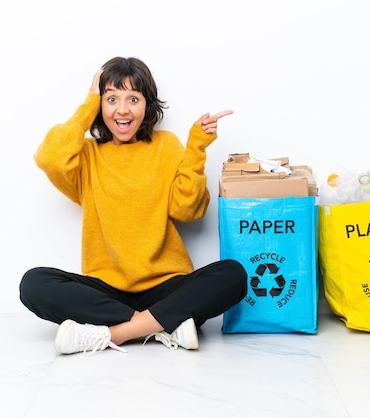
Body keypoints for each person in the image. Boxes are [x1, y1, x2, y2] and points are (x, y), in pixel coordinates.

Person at [19, 56, 247, 355]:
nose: (122, 109)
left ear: (147, 105)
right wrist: (89, 103)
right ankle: (164, 325)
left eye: (133, 99)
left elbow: (188, 211)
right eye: (111, 98)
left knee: (233, 274)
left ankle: (112, 333)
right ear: (100, 104)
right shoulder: (84, 155)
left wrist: (196, 149)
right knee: (33, 283)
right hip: (105, 290)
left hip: (165, 287)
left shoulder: (165, 146)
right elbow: (48, 157)